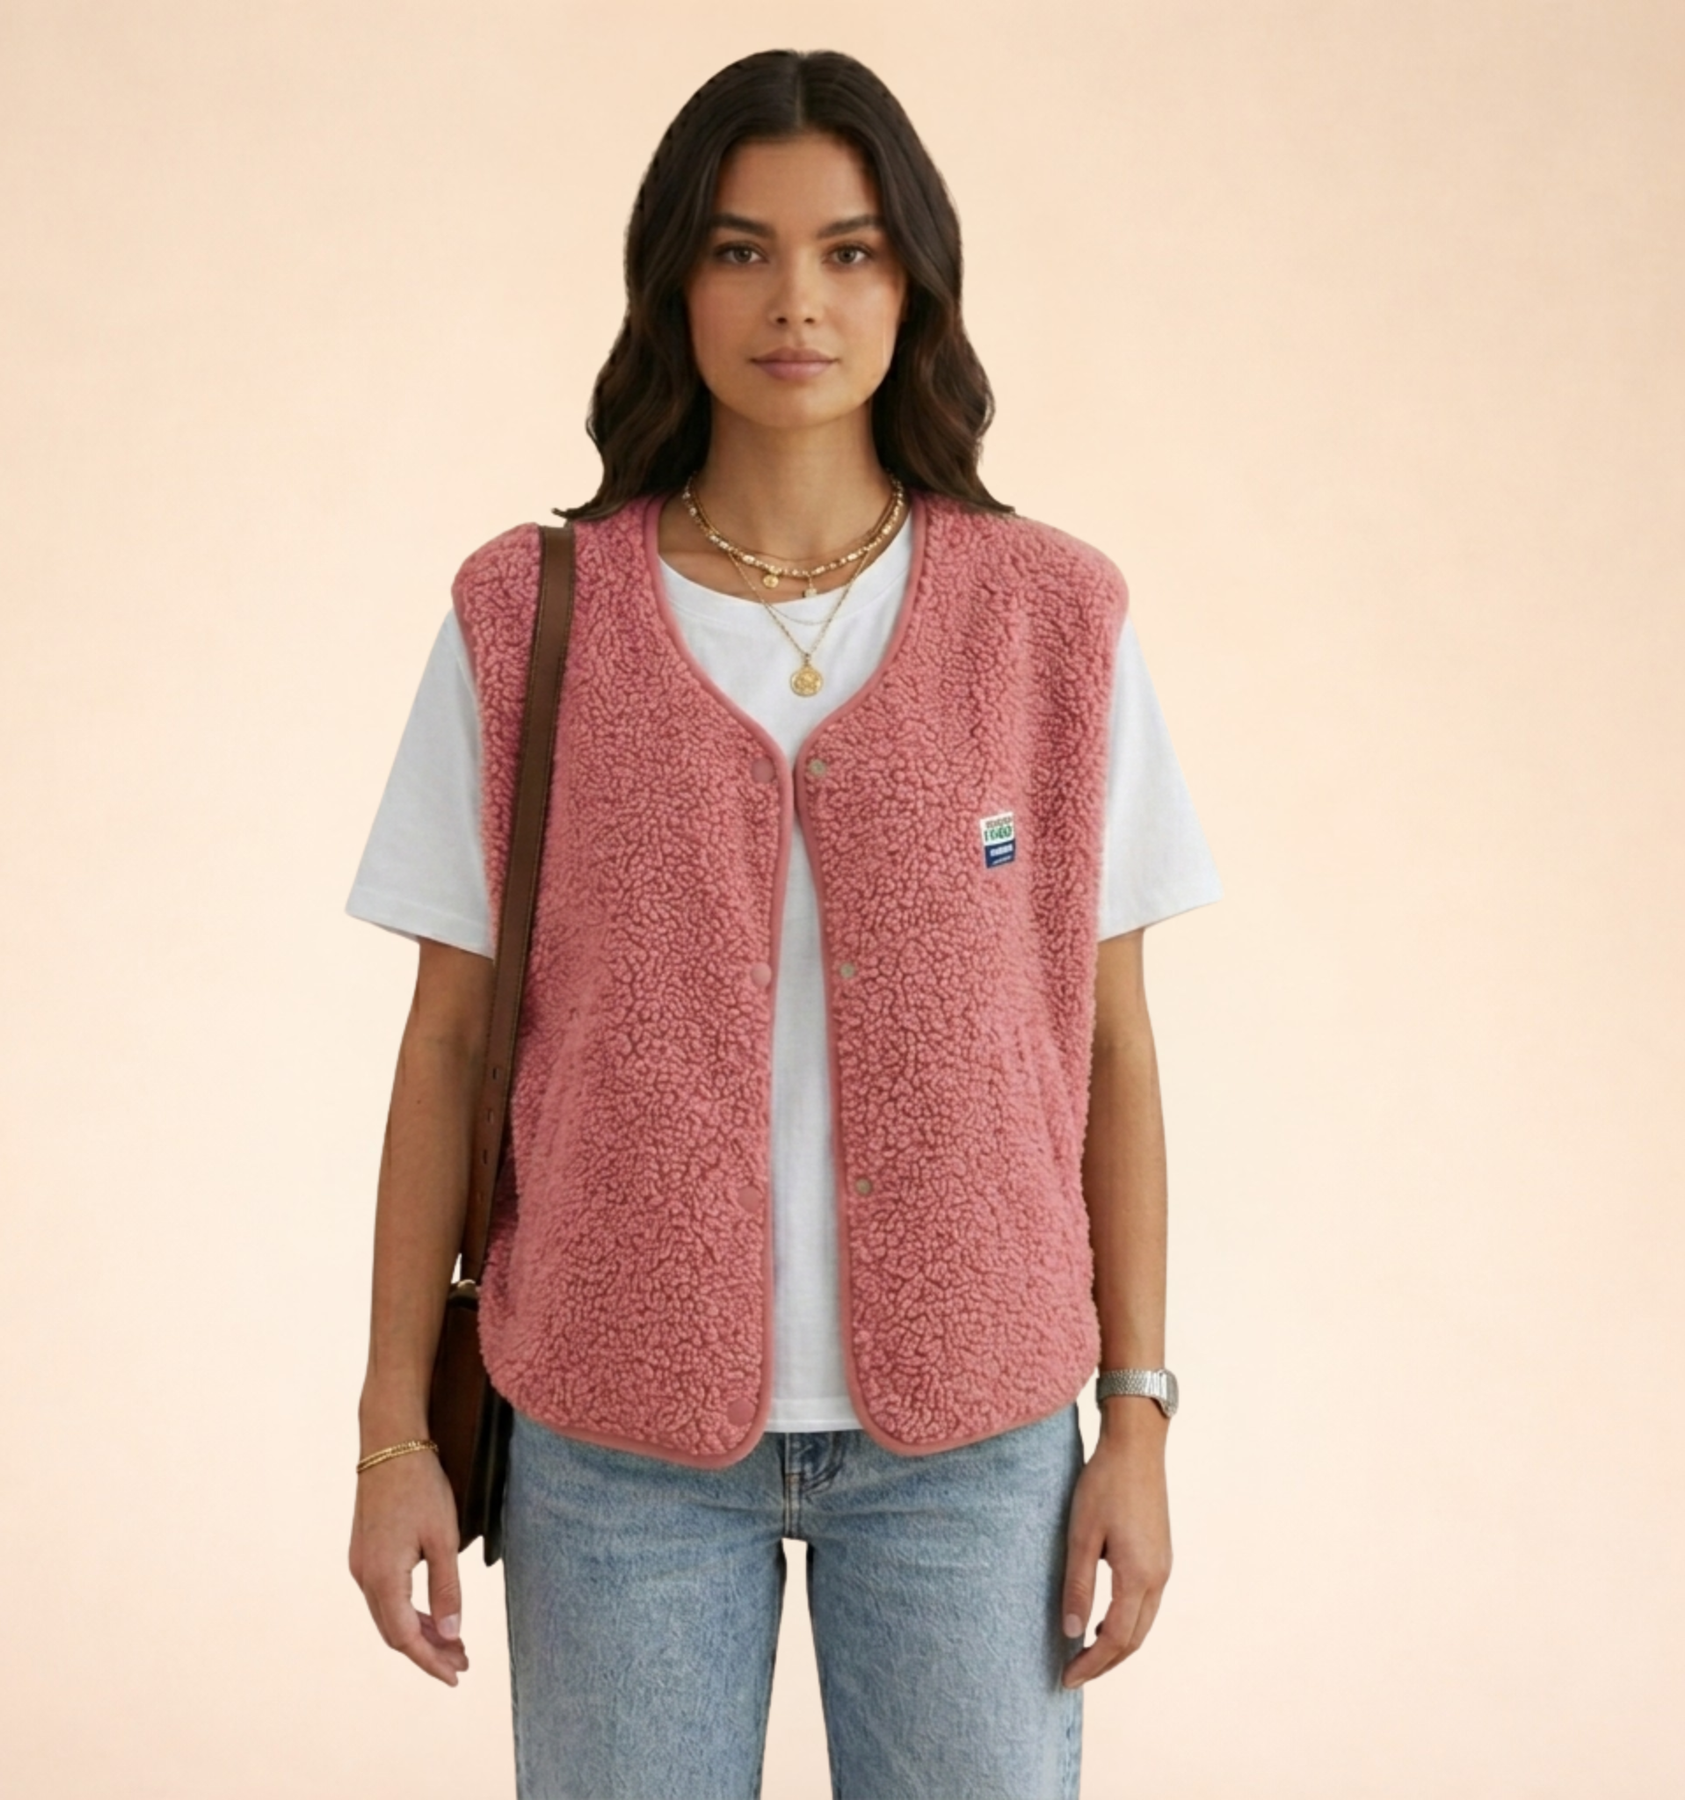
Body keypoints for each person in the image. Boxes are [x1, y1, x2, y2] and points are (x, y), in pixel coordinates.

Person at [345, 47, 1220, 1800]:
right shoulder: (527, 616)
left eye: (850, 251)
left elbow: (1111, 1046)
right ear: (673, 282)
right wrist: (389, 1439)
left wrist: (1134, 1416)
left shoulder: (1053, 620)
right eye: (740, 250)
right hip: (612, 1438)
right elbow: (444, 1044)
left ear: (916, 285)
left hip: (979, 1443)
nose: (797, 301)